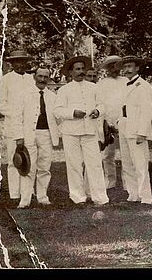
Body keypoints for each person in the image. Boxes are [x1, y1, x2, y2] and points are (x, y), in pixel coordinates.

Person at [54, 55, 108, 206]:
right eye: (77, 69)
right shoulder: (64, 90)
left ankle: (99, 197)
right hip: (70, 132)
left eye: (82, 69)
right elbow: (57, 111)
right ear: (70, 72)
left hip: (90, 131)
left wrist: (97, 111)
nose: (81, 72)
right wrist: (72, 113)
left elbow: (102, 105)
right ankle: (78, 197)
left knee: (95, 164)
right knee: (74, 164)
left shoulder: (93, 87)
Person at [8, 67, 61, 208]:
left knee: (44, 166)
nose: (42, 79)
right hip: (29, 134)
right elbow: (16, 117)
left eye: (45, 77)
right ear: (34, 77)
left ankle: (42, 197)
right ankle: (25, 200)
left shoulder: (52, 97)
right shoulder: (24, 94)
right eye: (40, 76)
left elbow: (57, 118)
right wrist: (19, 136)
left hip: (46, 135)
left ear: (49, 78)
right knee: (28, 167)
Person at [0, 49, 37, 202]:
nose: (20, 64)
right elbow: (1, 104)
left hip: (29, 125)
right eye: (16, 62)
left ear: (27, 63)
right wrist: (15, 112)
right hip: (12, 125)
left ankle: (28, 190)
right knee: (14, 159)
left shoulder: (31, 79)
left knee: (29, 157)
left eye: (23, 61)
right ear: (11, 64)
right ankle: (14, 193)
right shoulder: (6, 80)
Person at [117, 55, 152, 205]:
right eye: (125, 67)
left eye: (130, 66)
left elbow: (148, 111)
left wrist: (142, 132)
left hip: (137, 128)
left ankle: (145, 196)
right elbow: (123, 107)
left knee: (140, 163)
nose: (127, 70)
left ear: (137, 68)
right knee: (127, 163)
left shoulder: (144, 86)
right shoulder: (124, 85)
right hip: (125, 126)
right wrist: (119, 121)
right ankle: (133, 194)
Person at [96, 55, 126, 190]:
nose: (114, 69)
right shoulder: (102, 84)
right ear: (107, 68)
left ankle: (128, 182)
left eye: (117, 66)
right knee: (108, 154)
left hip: (124, 121)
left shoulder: (126, 81)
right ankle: (110, 180)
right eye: (111, 66)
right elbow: (101, 104)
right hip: (108, 124)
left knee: (127, 154)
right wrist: (108, 123)